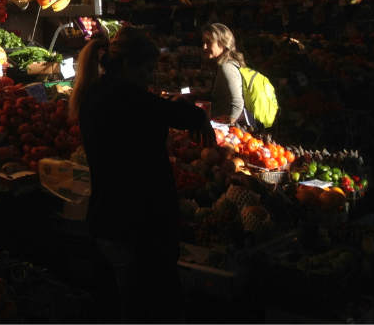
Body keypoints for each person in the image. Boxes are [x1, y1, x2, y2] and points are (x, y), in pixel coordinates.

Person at [70, 26, 214, 323]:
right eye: (146, 69)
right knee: (146, 307)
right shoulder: (128, 99)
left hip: (108, 218)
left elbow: (158, 110)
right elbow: (178, 115)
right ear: (126, 65)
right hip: (137, 226)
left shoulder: (94, 94)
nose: (149, 76)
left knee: (120, 305)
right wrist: (198, 116)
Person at [201, 22, 250, 126]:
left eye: (208, 42)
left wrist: (225, 128)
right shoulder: (225, 65)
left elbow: (237, 103)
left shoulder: (227, 67)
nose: (204, 47)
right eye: (203, 42)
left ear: (223, 43)